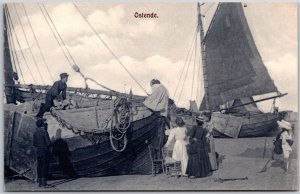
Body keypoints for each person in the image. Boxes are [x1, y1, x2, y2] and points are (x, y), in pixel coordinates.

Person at [143, 79, 170, 157]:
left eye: (152, 86)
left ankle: (157, 157)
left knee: (157, 139)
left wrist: (146, 101)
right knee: (160, 139)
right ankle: (159, 157)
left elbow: (149, 103)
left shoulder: (158, 88)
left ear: (154, 84)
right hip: (162, 116)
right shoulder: (164, 89)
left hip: (158, 116)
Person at [33, 119, 51, 187]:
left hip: (38, 151)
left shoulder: (35, 132)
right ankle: (44, 183)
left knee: (39, 166)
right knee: (44, 166)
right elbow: (48, 143)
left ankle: (40, 183)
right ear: (42, 124)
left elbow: (34, 143)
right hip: (44, 151)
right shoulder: (44, 132)